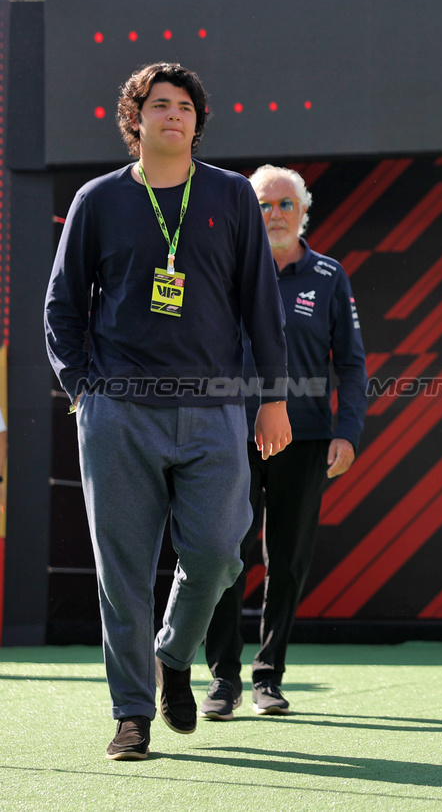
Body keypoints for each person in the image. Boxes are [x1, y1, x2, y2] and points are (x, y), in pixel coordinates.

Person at [44, 63, 290, 760]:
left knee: (217, 552)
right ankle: (131, 714)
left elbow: (259, 305)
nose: (173, 115)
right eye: (159, 105)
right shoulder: (99, 200)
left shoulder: (232, 196)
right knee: (121, 570)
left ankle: (173, 653)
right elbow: (63, 304)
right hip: (119, 408)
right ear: (136, 119)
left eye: (184, 106)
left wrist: (272, 397)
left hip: (214, 408)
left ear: (196, 121)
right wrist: (83, 387)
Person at [202, 166, 368, 719]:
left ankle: (268, 676)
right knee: (228, 556)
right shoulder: (226, 268)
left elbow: (349, 362)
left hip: (306, 439)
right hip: (231, 435)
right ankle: (222, 679)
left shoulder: (328, 274)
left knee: (288, 560)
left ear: (304, 211)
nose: (274, 214)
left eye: (284, 204)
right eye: (264, 205)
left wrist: (347, 431)